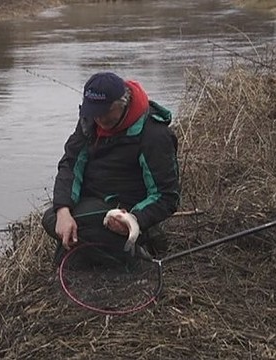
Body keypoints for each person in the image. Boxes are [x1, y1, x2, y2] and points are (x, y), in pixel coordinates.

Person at [41, 72, 180, 265]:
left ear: (123, 102)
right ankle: (108, 250)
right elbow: (70, 165)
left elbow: (167, 196)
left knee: (67, 228)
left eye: (106, 111)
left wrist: (135, 219)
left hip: (126, 209)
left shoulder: (154, 135)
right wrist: (63, 210)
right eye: (95, 112)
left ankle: (138, 250)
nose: (100, 119)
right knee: (53, 218)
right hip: (92, 203)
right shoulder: (89, 122)